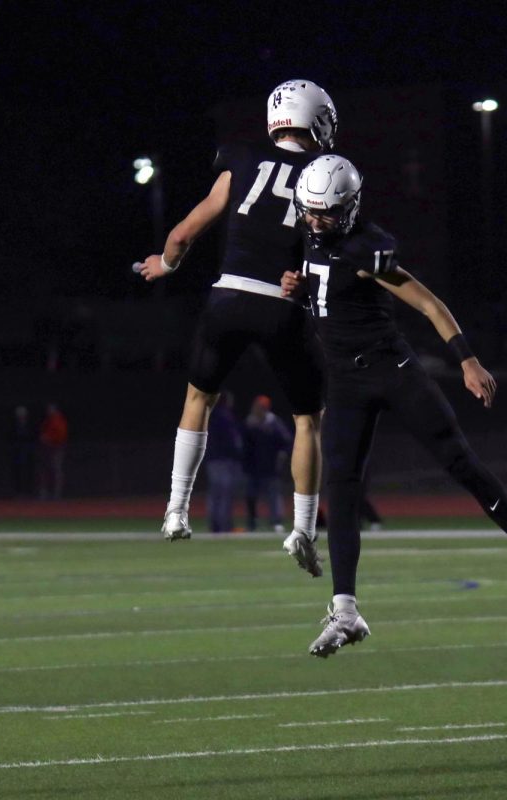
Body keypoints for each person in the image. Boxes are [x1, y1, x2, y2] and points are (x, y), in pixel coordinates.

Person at [281, 155, 507, 657]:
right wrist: (300, 291)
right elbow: (327, 293)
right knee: (344, 491)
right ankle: (345, 610)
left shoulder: (366, 246)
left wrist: (467, 361)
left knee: (461, 463)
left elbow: (429, 304)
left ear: (350, 208)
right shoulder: (311, 233)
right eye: (310, 211)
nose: (315, 221)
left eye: (326, 213)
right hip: (345, 383)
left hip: (392, 370)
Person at [136, 79, 336, 576]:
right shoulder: (326, 172)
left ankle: (176, 511)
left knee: (197, 399)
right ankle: (303, 530)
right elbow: (333, 251)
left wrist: (165, 264)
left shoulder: (241, 160)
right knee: (308, 422)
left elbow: (185, 232)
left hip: (227, 297)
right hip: (282, 305)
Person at [242, 394, 293, 532]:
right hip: (253, 467)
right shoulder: (250, 423)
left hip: (270, 466)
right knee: (251, 495)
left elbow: (286, 441)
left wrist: (282, 455)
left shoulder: (274, 423)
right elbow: (245, 445)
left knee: (273, 495)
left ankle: (276, 521)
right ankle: (252, 522)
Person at [204, 391, 244, 533]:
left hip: (212, 460)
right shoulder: (226, 417)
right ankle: (224, 525)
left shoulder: (211, 416)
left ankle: (215, 525)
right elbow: (234, 442)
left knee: (215, 495)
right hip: (224, 461)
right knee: (224, 495)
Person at [38, 403, 68, 500]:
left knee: (56, 470)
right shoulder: (48, 420)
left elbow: (61, 436)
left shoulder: (58, 420)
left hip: (56, 449)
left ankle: (56, 494)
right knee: (46, 471)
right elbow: (43, 432)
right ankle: (45, 493)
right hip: (47, 449)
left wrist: (49, 439)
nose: (49, 411)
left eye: (50, 409)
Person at [10, 405, 35, 498]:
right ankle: (18, 491)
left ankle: (29, 491)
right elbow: (11, 436)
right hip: (17, 450)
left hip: (28, 450)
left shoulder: (30, 424)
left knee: (29, 470)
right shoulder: (13, 424)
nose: (21, 415)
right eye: (19, 414)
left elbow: (32, 435)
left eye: (22, 414)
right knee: (17, 471)